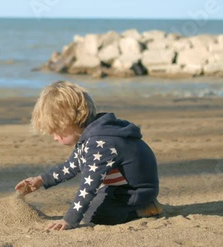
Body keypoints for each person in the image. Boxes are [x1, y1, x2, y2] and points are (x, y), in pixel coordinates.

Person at [15, 81, 161, 231]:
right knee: (90, 204)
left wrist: (69, 220)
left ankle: (142, 208)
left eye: (56, 131)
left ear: (70, 120)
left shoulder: (101, 143)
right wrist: (40, 180)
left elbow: (88, 185)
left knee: (93, 215)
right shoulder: (91, 136)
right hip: (117, 188)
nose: (55, 138)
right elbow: (70, 166)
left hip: (135, 192)